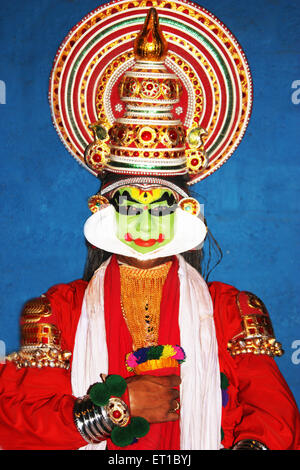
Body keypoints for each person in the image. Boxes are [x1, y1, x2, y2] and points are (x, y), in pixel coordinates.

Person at [0, 4, 299, 451]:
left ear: (186, 210)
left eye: (159, 207)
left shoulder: (234, 311)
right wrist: (115, 409)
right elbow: (20, 421)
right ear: (103, 208)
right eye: (128, 205)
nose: (143, 223)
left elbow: (275, 417)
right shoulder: (54, 313)